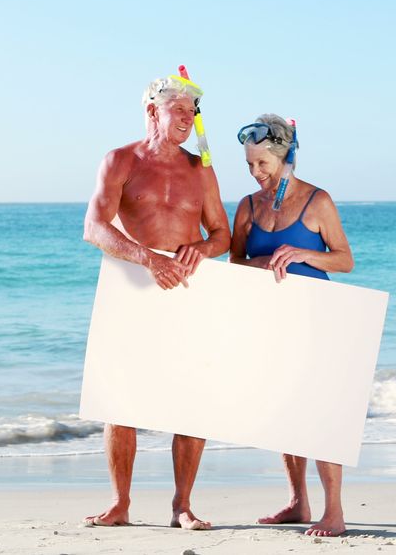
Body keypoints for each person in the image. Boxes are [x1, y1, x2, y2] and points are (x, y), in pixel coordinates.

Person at [81, 76, 231, 530]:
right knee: (120, 401)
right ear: (153, 112)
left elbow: (222, 233)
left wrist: (200, 250)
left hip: (186, 291)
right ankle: (120, 503)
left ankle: (182, 505)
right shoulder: (120, 160)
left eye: (193, 113)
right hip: (135, 290)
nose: (188, 119)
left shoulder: (201, 168)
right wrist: (147, 257)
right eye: (179, 111)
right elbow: (94, 227)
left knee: (191, 398)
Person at [229, 114, 355, 536]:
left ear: (285, 158)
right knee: (287, 410)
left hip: (317, 319)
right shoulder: (247, 207)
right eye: (249, 165)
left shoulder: (317, 201)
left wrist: (303, 255)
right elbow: (235, 264)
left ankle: (333, 511)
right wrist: (259, 263)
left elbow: (344, 260)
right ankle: (299, 503)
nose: (256, 173)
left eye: (262, 164)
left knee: (321, 411)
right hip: (270, 320)